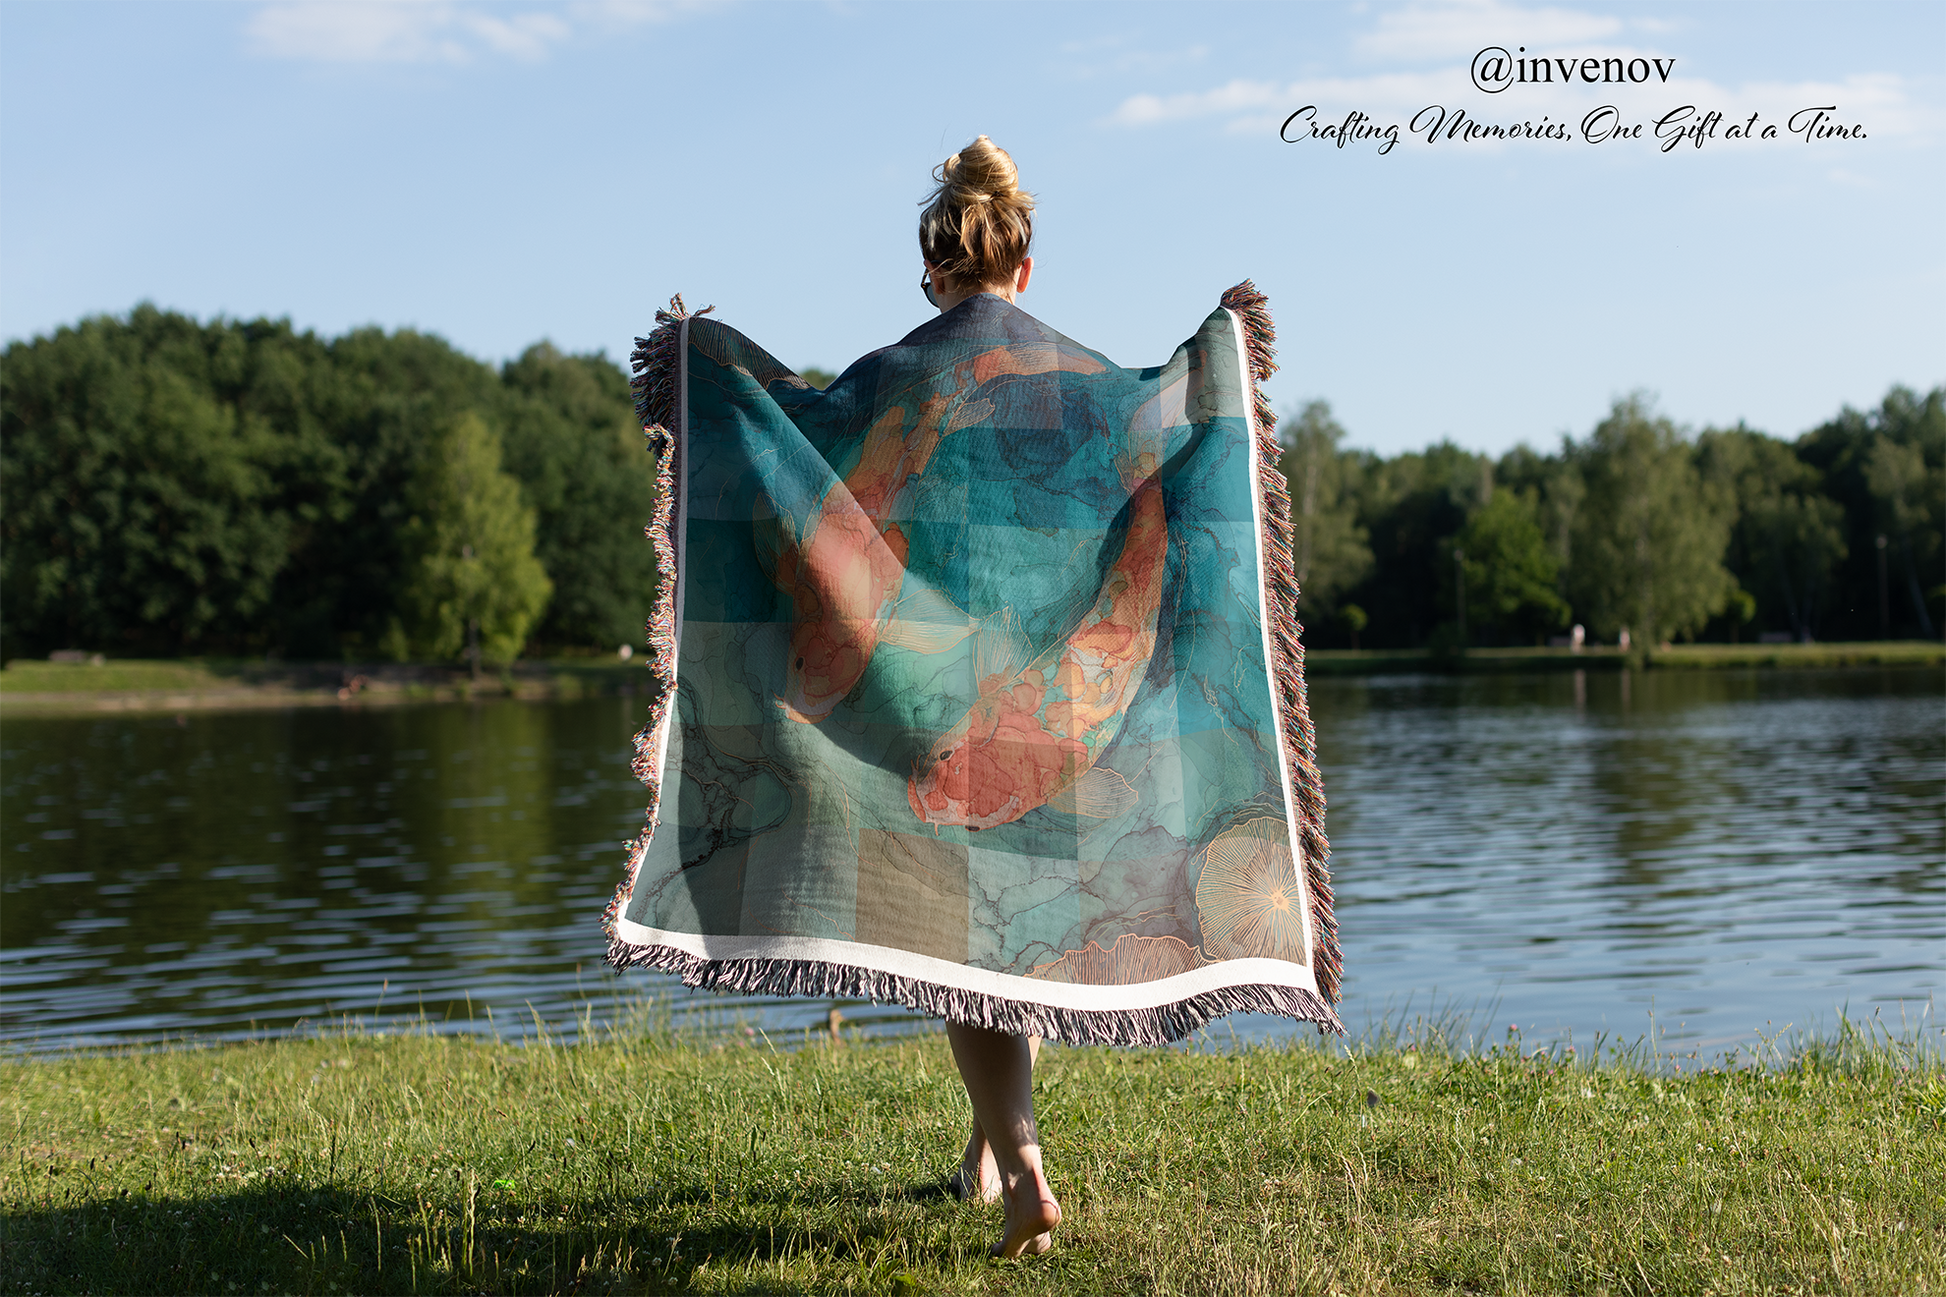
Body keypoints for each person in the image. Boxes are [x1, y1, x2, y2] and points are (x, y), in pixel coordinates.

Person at [916, 136, 1059, 1259]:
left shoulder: (893, 377)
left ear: (933, 272)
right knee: (1012, 938)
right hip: (1056, 702)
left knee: (964, 956)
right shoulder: (1079, 381)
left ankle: (1022, 1171)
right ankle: (980, 1153)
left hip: (934, 701)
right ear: (1023, 265)